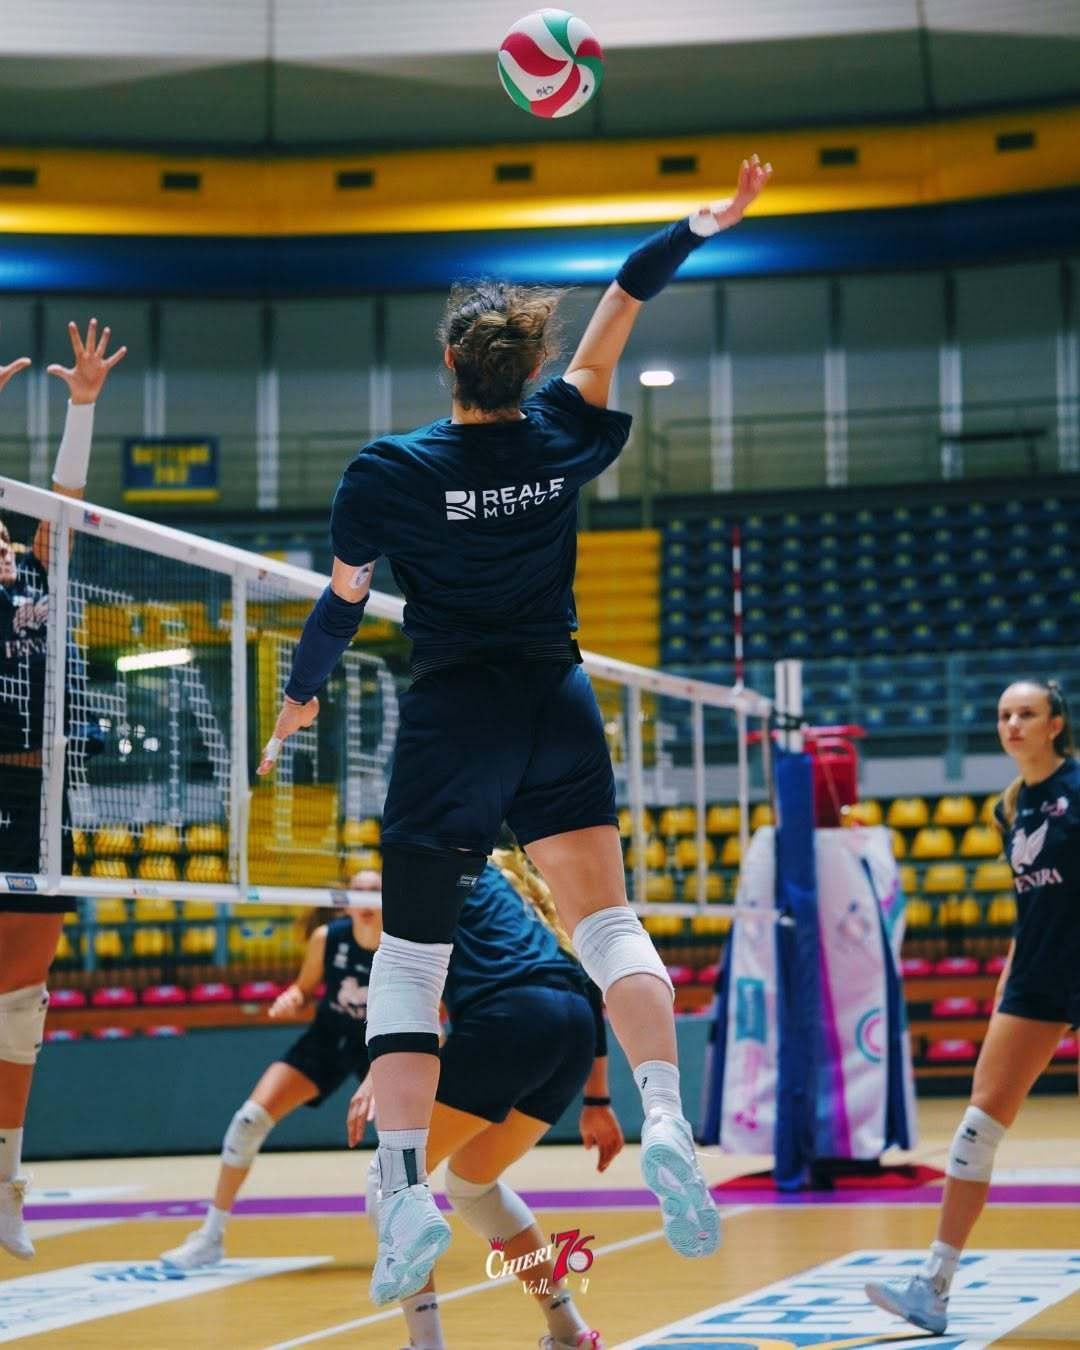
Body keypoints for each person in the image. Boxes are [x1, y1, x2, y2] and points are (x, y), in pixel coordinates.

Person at [258, 154, 772, 1305]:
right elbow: (624, 298)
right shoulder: (561, 432)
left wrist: (300, 694)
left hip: (454, 715)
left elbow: (341, 605)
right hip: (556, 699)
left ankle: (404, 1195)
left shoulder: (387, 473)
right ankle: (668, 1117)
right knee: (608, 925)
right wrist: (703, 222)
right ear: (531, 368)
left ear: (450, 363)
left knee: (410, 960)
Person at [163, 853, 620, 1350]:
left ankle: (426, 1343)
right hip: (572, 1029)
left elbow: (414, 988)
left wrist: (381, 1076)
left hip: (508, 1021)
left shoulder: (425, 868)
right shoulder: (509, 896)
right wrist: (597, 1098)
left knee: (391, 1179)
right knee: (473, 1186)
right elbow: (587, 986)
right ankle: (570, 1332)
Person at [866, 678, 1078, 1334]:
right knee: (977, 1128)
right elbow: (1032, 903)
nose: (1012, 724)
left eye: (1027, 714)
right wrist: (1009, 976)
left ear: (1055, 724)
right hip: (1037, 979)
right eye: (1004, 714)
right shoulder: (1009, 807)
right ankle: (932, 1286)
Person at [0, 319, 127, 1261]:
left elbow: (66, 504)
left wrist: (81, 409)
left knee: (22, 1002)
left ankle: (6, 1181)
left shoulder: (40, 575)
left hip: (45, 801)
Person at [161, 888, 382, 1270]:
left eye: (375, 891)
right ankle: (210, 1237)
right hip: (327, 1039)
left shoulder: (402, 940)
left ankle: (399, 1242)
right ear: (344, 903)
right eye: (357, 891)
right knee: (248, 1120)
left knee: (405, 1140)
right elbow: (304, 988)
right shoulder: (327, 938)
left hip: (379, 1044)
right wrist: (292, 998)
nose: (366, 899)